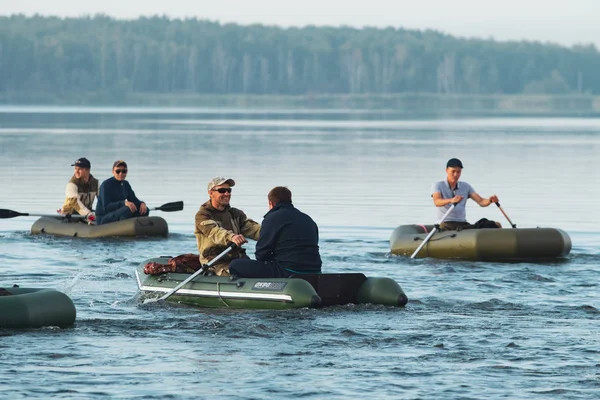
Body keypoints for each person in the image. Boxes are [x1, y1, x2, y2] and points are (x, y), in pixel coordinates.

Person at [229, 186, 322, 278]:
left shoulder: (272, 218)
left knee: (235, 264)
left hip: (288, 271)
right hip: (315, 270)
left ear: (271, 203)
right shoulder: (308, 219)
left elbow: (261, 254)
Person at [194, 177, 261, 276]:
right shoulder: (202, 215)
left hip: (238, 259)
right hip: (215, 262)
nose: (227, 194)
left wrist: (272, 233)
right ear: (211, 193)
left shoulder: (236, 213)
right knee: (241, 273)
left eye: (229, 190)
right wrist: (232, 237)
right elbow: (215, 232)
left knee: (262, 269)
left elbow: (253, 229)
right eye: (222, 190)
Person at [432, 158, 502, 231]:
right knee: (442, 227)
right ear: (446, 170)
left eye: (458, 172)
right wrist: (451, 200)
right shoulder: (438, 185)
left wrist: (490, 200)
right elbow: (437, 202)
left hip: (462, 224)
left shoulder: (465, 186)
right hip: (446, 223)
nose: (456, 174)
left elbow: (481, 201)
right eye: (453, 171)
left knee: (492, 224)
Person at [95, 160, 148, 225]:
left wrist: (142, 203)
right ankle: (124, 228)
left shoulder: (126, 184)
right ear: (113, 171)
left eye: (124, 171)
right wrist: (124, 203)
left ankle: (140, 227)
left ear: (127, 172)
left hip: (118, 213)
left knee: (144, 209)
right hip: (103, 217)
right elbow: (106, 207)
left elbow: (133, 200)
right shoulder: (106, 185)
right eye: (118, 171)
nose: (121, 173)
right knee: (127, 209)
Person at [60, 157, 98, 223]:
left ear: (88, 170)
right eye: (75, 169)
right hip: (71, 214)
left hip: (86, 212)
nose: (76, 171)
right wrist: (88, 214)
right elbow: (75, 203)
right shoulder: (72, 184)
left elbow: (103, 199)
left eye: (79, 169)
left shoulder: (95, 183)